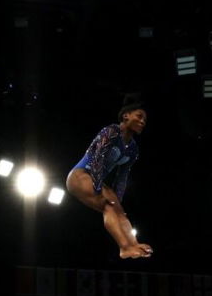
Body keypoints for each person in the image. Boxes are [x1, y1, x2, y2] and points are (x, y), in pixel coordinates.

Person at [66, 97, 153, 259]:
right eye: (139, 116)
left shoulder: (133, 149)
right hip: (81, 175)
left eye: (145, 120)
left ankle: (134, 244)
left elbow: (122, 177)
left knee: (119, 211)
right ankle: (124, 247)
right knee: (108, 206)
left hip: (97, 180)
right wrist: (98, 189)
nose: (143, 122)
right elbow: (98, 159)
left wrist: (118, 202)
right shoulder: (112, 132)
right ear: (126, 116)